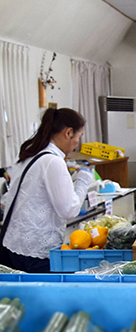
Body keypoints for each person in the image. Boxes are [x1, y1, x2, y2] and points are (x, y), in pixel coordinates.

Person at [0, 108, 94, 273]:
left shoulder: (32, 153)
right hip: (35, 254)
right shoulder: (53, 162)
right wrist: (82, 181)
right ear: (68, 133)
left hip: (13, 247)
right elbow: (69, 209)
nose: (76, 144)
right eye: (78, 137)